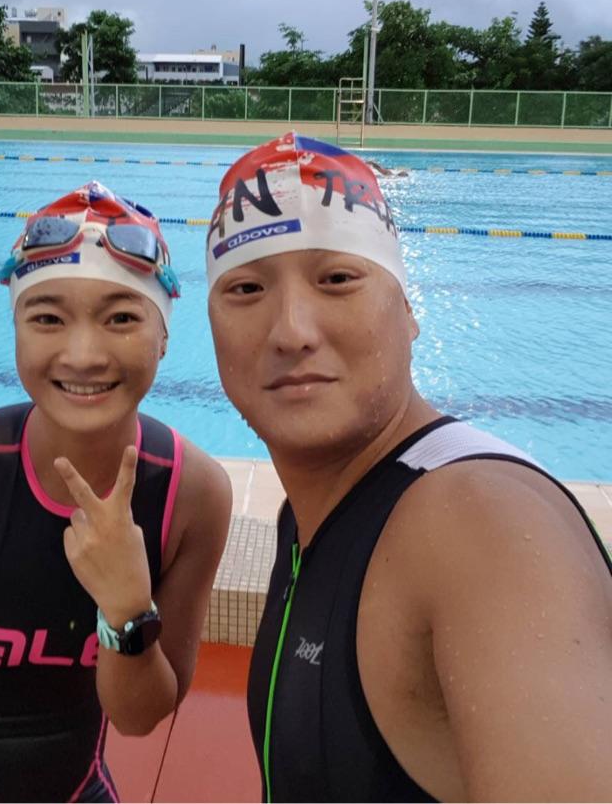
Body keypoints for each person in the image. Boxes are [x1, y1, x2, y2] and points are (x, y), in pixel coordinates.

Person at [206, 132, 612, 803]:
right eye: (246, 288)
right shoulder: (305, 517)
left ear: (408, 311)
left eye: (337, 279)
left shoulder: (481, 524)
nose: (291, 331)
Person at [0, 180, 232, 803]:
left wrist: (126, 609)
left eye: (122, 318)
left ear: (164, 335)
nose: (83, 355)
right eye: (48, 318)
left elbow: (139, 718)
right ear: (16, 328)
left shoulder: (192, 495)